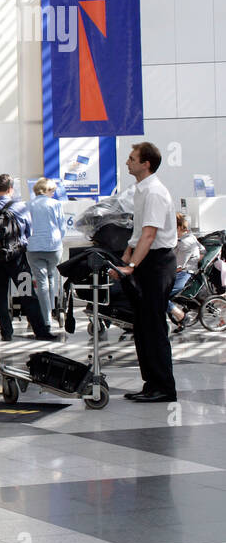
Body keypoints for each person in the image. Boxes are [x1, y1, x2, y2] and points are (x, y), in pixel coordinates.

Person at [109, 143, 178, 402]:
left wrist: (132, 266)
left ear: (146, 163)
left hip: (157, 262)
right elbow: (138, 233)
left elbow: (150, 234)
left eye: (132, 158)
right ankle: (151, 383)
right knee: (143, 326)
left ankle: (164, 387)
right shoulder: (141, 191)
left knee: (154, 325)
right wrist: (126, 259)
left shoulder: (155, 192)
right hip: (145, 261)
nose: (127, 162)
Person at [0, 174, 54, 342]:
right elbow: (29, 231)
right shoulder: (19, 207)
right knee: (26, 293)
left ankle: (6, 332)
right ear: (10, 189)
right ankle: (41, 331)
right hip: (16, 258)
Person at [25, 178, 67, 329]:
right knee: (51, 279)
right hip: (53, 247)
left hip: (34, 247)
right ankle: (49, 313)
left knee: (41, 282)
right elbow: (62, 227)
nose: (54, 193)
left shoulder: (28, 205)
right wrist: (57, 238)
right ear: (47, 190)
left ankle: (46, 317)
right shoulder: (56, 204)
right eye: (53, 191)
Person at [168, 214, 204, 327]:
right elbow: (203, 250)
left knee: (159, 295)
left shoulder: (184, 243)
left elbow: (179, 267)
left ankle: (181, 316)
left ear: (178, 227)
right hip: (187, 272)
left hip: (184, 275)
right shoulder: (191, 237)